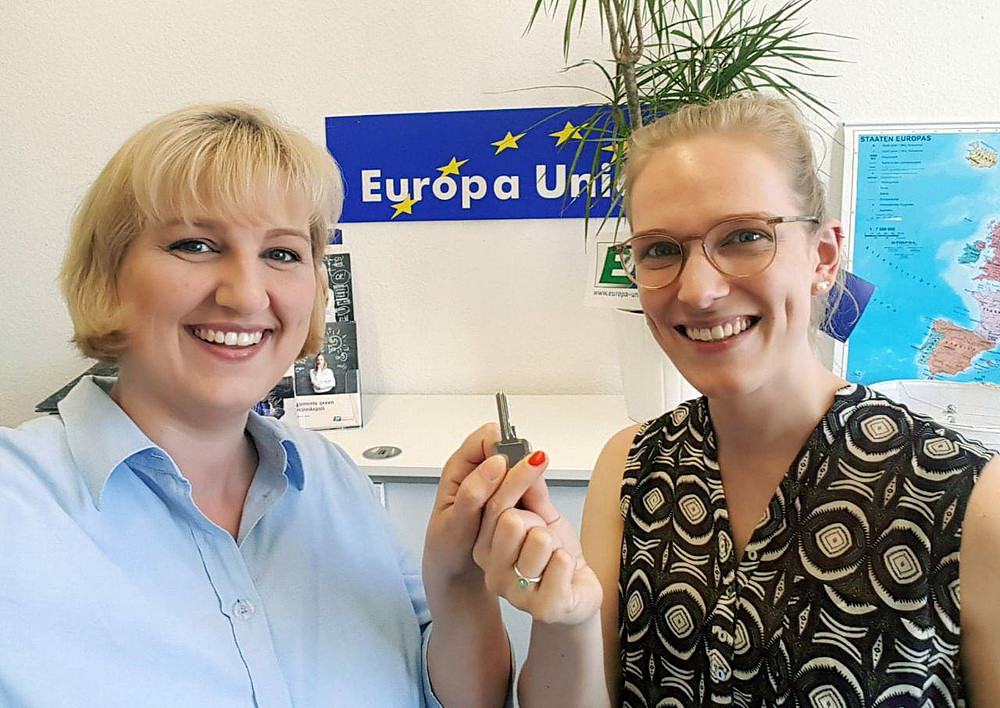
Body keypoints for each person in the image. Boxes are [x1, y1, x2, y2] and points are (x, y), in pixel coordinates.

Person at [457, 93, 1000, 706]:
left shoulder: (971, 500)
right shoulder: (631, 466)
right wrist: (568, 620)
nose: (698, 289)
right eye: (660, 249)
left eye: (744, 237)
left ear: (822, 257)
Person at [0, 102, 512, 707]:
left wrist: (461, 583)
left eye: (282, 254)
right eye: (195, 245)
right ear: (109, 275)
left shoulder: (332, 476)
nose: (245, 296)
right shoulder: (17, 506)